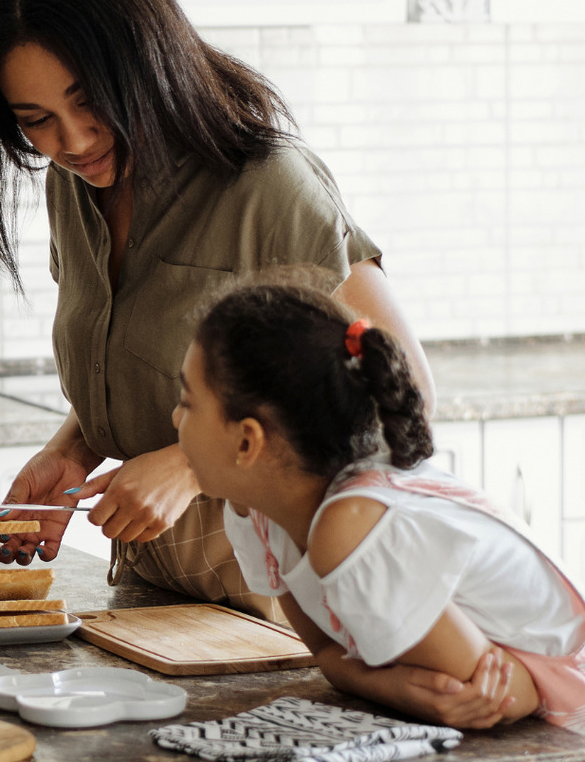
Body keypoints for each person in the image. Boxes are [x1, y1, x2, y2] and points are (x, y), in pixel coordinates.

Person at [0, 0, 435, 614]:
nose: (74, 141)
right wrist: (75, 448)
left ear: (146, 65)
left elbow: (395, 394)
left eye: (90, 102)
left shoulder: (268, 183)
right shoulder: (76, 184)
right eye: (37, 122)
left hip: (287, 605)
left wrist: (189, 468)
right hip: (159, 593)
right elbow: (162, 366)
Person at [173, 274, 585, 733]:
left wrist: (383, 681)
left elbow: (493, 695)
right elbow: (330, 658)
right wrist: (393, 687)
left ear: (248, 441)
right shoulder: (258, 511)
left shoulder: (351, 526)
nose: (174, 418)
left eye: (187, 403)